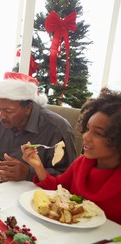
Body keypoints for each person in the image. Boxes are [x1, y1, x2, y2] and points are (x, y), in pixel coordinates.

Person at [21, 88, 121, 224]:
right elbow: (56, 190)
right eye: (87, 129)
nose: (86, 137)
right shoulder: (81, 164)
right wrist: (38, 166)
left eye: (97, 133)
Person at [0, 72, 78, 181]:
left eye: (8, 111)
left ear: (28, 108)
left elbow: (67, 176)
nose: (1, 116)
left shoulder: (56, 129)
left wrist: (28, 173)